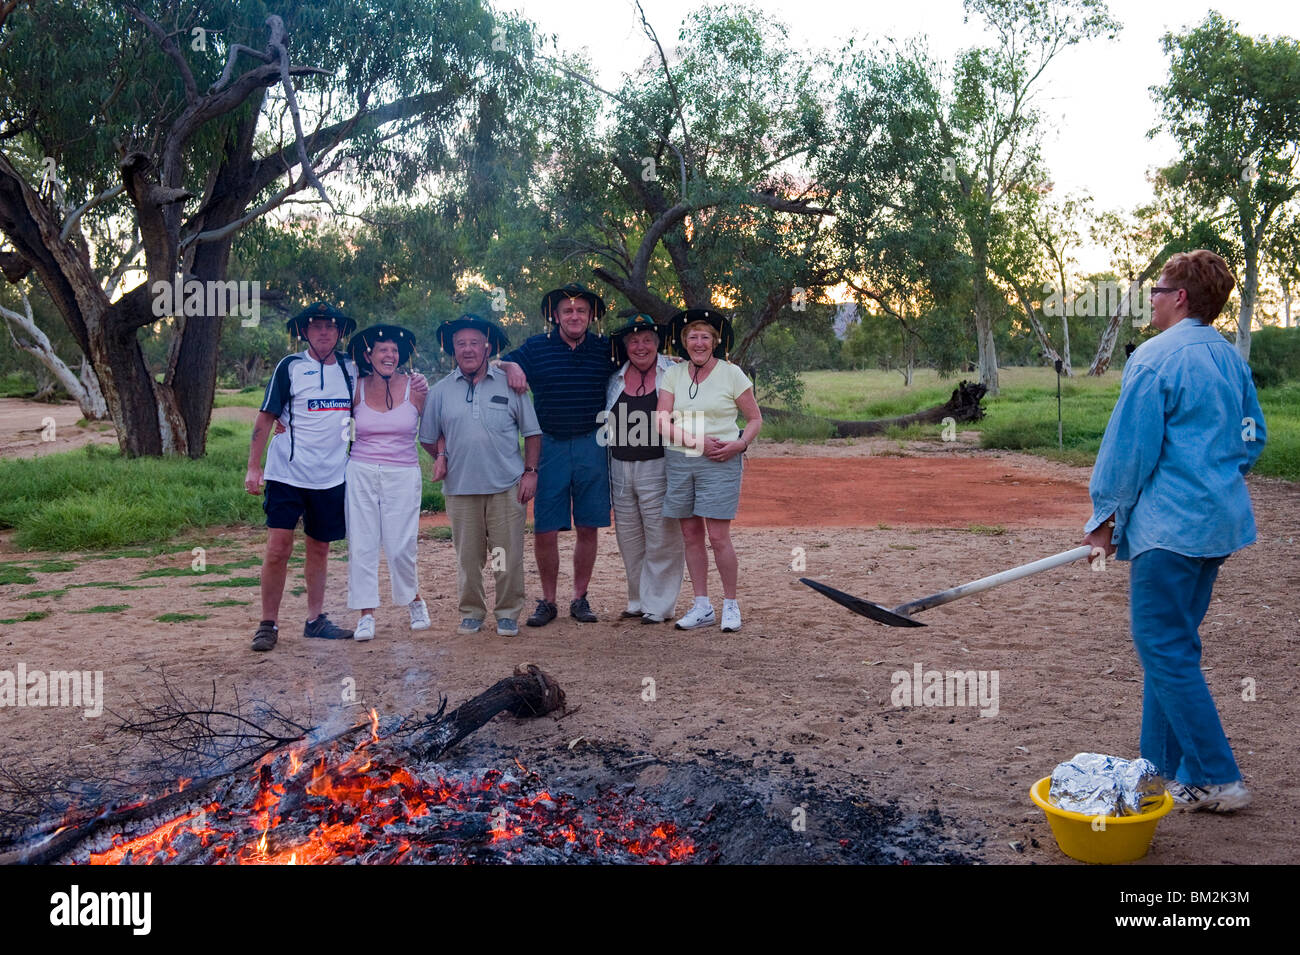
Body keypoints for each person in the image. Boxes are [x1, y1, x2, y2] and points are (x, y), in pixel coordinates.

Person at [1082, 250, 1265, 813]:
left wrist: (1105, 517)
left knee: (1161, 645)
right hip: (1216, 528)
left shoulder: (1156, 359)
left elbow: (1128, 450)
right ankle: (1159, 772)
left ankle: (1216, 775)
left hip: (1170, 533)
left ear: (1180, 297)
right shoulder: (1230, 359)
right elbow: (1252, 437)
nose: (1153, 299)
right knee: (1173, 646)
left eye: (1158, 290)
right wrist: (1216, 477)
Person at [496, 283, 618, 626]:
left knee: (588, 525)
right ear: (555, 315)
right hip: (548, 444)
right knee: (546, 527)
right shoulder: (536, 348)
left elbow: (645, 358)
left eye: (581, 311)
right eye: (568, 310)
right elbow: (497, 361)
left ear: (591, 316)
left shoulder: (606, 349)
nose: (575, 316)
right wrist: (510, 367)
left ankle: (580, 597)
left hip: (592, 443)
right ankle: (548, 601)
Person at [245, 303, 358, 651]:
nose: (324, 332)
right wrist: (253, 467)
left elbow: (388, 374)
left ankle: (315, 620)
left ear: (340, 332)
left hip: (331, 475)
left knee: (320, 548)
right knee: (278, 548)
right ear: (305, 332)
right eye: (316, 327)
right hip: (287, 474)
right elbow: (265, 419)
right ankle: (268, 623)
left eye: (331, 327)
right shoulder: (290, 366)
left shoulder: (352, 369)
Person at [420, 315, 541, 636]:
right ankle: (472, 611)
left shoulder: (512, 385)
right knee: (469, 559)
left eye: (475, 343)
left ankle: (506, 612)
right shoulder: (440, 391)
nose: (468, 349)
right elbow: (428, 437)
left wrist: (530, 472)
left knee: (504, 555)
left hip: (505, 486)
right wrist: (443, 456)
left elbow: (532, 433)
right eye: (461, 344)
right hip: (460, 488)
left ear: (488, 347)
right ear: (452, 350)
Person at [655, 308, 762, 632]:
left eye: (705, 336)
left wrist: (740, 444)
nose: (698, 342)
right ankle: (702, 605)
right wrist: (694, 441)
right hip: (680, 457)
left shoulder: (732, 373)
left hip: (721, 459)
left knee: (718, 537)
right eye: (692, 336)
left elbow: (755, 419)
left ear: (715, 341)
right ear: (683, 342)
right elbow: (660, 420)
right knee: (690, 534)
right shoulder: (673, 374)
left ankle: (730, 604)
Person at [344, 324, 430, 642]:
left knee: (400, 547)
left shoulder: (416, 387)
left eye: (394, 351)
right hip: (361, 471)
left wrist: (443, 456)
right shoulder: (356, 386)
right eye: (383, 350)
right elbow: (328, 419)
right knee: (363, 543)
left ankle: (414, 601)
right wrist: (284, 424)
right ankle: (366, 614)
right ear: (369, 355)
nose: (390, 355)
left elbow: (435, 427)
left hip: (403, 473)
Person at [602, 314, 685, 624]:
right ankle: (637, 599)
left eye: (647, 339)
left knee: (661, 535)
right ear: (625, 346)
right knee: (629, 537)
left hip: (659, 465)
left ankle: (659, 605)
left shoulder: (673, 373)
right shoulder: (615, 378)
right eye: (634, 341)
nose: (640, 346)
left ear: (657, 343)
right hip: (619, 466)